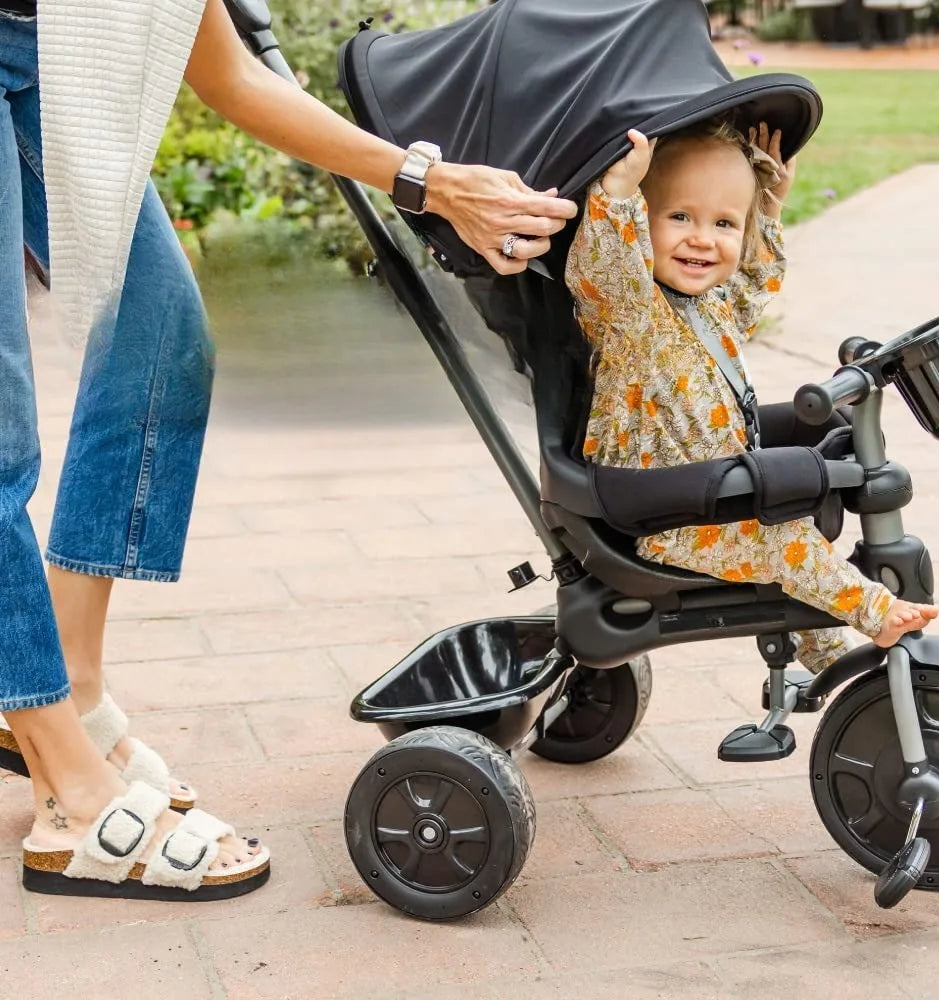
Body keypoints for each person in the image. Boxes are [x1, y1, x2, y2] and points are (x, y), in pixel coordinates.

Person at [0, 0, 576, 901]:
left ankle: (60, 686)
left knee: (159, 341)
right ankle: (68, 783)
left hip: (40, 51)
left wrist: (428, 180)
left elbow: (231, 75)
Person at [565, 116, 937, 674]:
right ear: (643, 223)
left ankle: (817, 642)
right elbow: (604, 270)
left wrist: (768, 207)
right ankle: (874, 611)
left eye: (724, 223)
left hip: (711, 496)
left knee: (790, 512)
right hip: (667, 517)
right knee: (783, 540)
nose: (702, 238)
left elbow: (751, 288)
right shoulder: (633, 313)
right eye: (680, 216)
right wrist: (616, 196)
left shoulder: (709, 306)